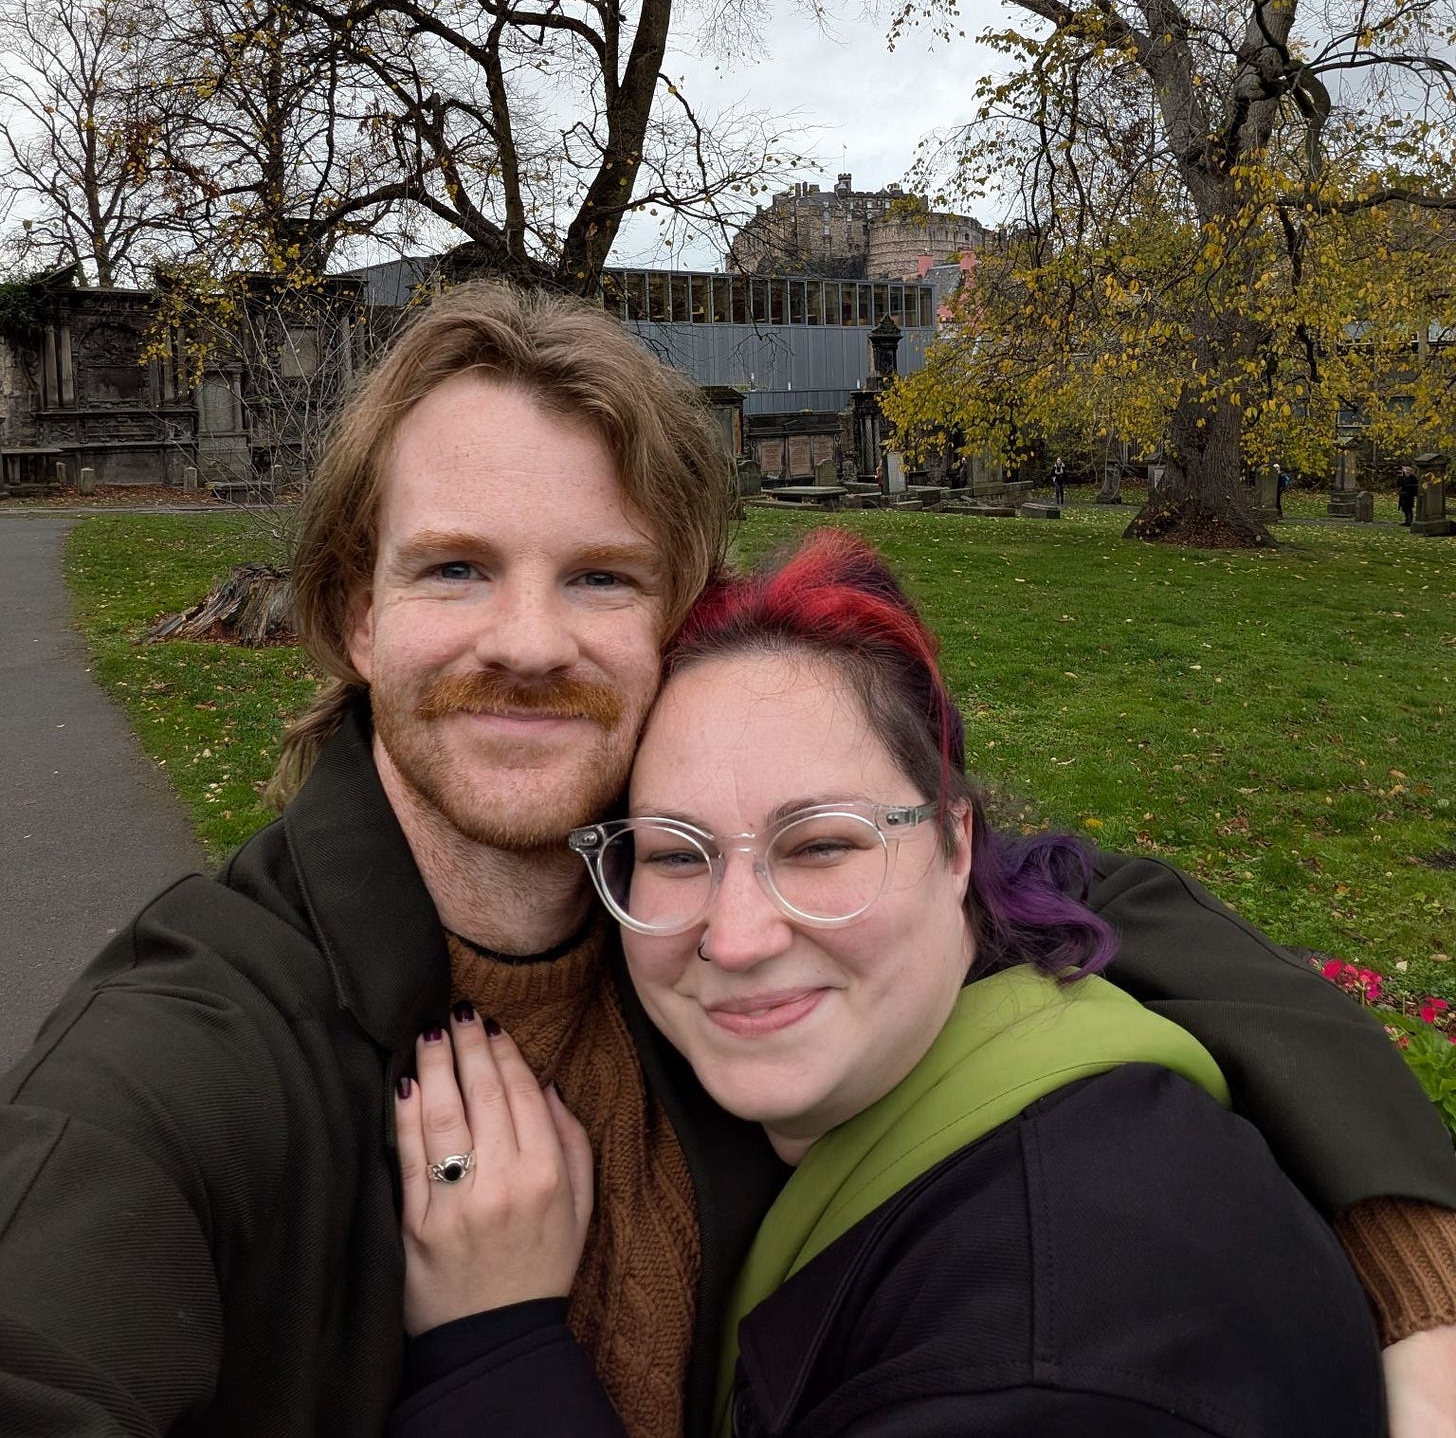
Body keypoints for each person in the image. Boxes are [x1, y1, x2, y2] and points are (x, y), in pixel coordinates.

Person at [0, 283, 1454, 1437]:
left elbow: (1079, 887)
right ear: (350, 614)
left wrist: (1413, 1269)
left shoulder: (685, 904)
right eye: (453, 567)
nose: (526, 639)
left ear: (678, 625)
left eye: (601, 575)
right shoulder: (191, 1058)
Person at [388, 534, 1390, 1434]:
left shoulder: (1049, 1359)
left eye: (820, 845)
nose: (734, 939)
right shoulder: (1000, 1074)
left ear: (955, 847)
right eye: (676, 853)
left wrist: (494, 1345)